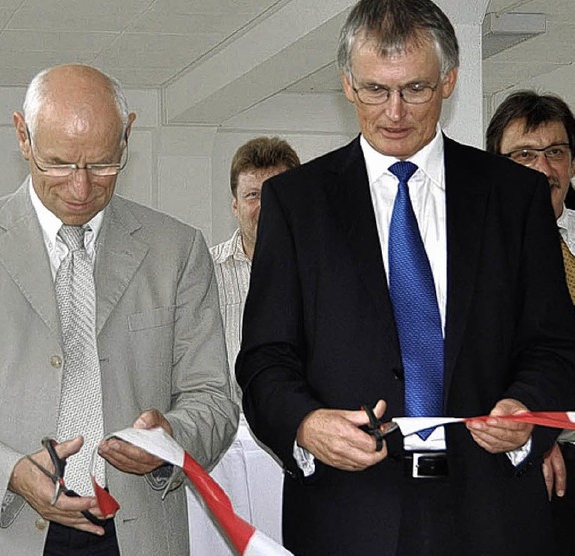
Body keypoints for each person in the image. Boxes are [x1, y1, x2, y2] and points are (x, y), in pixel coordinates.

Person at [235, 1, 575, 555]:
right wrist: (305, 424)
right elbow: (265, 358)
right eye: (375, 90)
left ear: (449, 80)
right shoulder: (297, 203)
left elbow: (555, 346)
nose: (394, 111)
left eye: (415, 89)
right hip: (348, 513)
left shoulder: (516, 197)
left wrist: (526, 408)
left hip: (493, 509)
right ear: (347, 84)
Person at [0, 64, 238, 556]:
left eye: (102, 165)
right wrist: (9, 473)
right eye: (57, 164)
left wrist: (168, 442)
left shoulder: (177, 251)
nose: (80, 188)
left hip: (137, 531)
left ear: (128, 136)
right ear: (22, 136)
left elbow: (213, 400)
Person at [186, 136, 300, 554]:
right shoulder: (201, 272)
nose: (264, 206)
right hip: (220, 448)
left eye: (278, 193)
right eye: (253, 195)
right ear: (234, 204)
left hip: (291, 448)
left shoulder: (324, 275)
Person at [486, 89, 575, 556]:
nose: (543, 168)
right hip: (533, 460)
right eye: (524, 154)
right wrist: (538, 436)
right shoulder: (476, 258)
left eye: (556, 151)